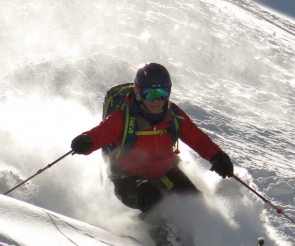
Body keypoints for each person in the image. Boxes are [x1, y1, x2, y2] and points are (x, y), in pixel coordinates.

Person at [70, 63, 234, 218]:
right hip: (128, 179)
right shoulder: (124, 117)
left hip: (165, 172)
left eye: (162, 94)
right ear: (138, 92)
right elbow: (103, 132)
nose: (156, 101)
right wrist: (87, 141)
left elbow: (197, 139)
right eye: (149, 94)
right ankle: (166, 241)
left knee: (193, 200)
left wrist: (217, 156)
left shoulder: (174, 115)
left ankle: (200, 239)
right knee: (150, 197)